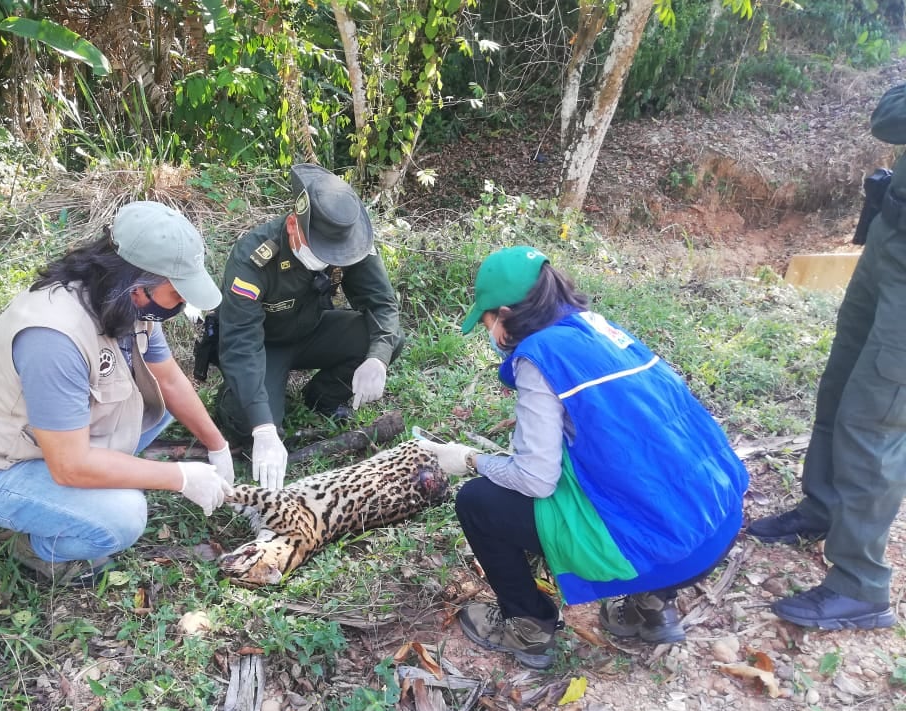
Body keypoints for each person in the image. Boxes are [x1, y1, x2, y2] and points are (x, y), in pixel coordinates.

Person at [418, 247, 749, 669]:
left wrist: (468, 459)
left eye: (486, 323)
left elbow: (536, 479)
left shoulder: (539, 357)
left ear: (505, 315)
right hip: (716, 525)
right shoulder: (600, 330)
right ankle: (652, 602)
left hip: (663, 542)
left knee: (478, 501)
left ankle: (528, 626)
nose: (491, 335)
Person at [0, 201, 235, 585]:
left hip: (52, 442)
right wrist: (178, 477)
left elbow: (169, 381)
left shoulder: (128, 304)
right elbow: (70, 465)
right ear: (136, 285)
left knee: (158, 404)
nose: (182, 303)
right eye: (176, 293)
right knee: (123, 517)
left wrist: (217, 446)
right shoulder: (53, 339)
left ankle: (85, 490)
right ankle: (37, 549)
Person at [744, 84, 906, 631]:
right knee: (838, 387)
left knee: (876, 417)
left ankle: (862, 584)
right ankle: (825, 508)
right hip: (889, 238)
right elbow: (889, 116)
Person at [214, 163, 404, 490]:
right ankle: (237, 402)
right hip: (264, 346)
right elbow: (241, 345)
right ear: (293, 225)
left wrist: (377, 358)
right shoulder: (253, 260)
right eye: (322, 251)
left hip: (313, 330)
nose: (331, 259)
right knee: (247, 423)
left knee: (386, 340)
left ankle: (321, 399)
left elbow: (382, 304)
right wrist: (263, 428)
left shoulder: (351, 241)